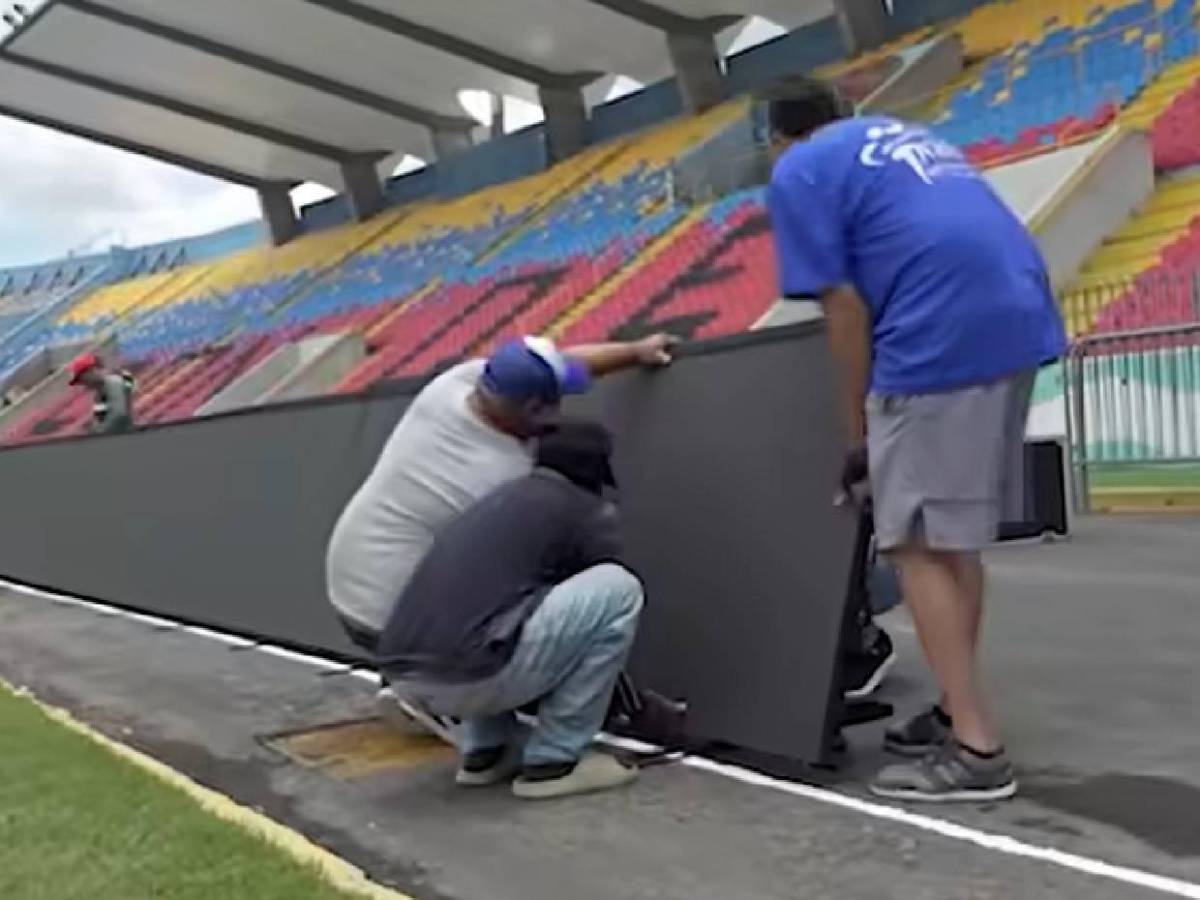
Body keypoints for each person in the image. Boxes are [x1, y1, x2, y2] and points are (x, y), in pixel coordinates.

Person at [764, 76, 1067, 802]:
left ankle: (976, 750)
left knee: (914, 545)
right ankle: (957, 708)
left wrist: (858, 433)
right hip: (1019, 312)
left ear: (775, 138)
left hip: (938, 330)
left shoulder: (798, 167)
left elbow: (843, 305)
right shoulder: (905, 139)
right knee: (950, 539)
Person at [326, 334, 673, 653]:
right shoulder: (502, 478)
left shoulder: (457, 384)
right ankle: (439, 688)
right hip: (392, 619)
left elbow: (568, 364)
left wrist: (634, 351)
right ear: (533, 408)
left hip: (350, 580)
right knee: (565, 604)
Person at [378, 419, 642, 800]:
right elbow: (596, 612)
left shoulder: (498, 501)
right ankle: (555, 762)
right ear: (597, 471)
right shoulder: (581, 508)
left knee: (494, 605)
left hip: (404, 679)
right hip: (471, 675)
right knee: (619, 589)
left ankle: (487, 753)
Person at [68, 352, 135, 435]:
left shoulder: (114, 383)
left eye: (81, 378)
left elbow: (118, 415)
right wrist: (93, 428)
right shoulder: (99, 393)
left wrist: (98, 430)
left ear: (92, 371)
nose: (82, 383)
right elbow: (100, 420)